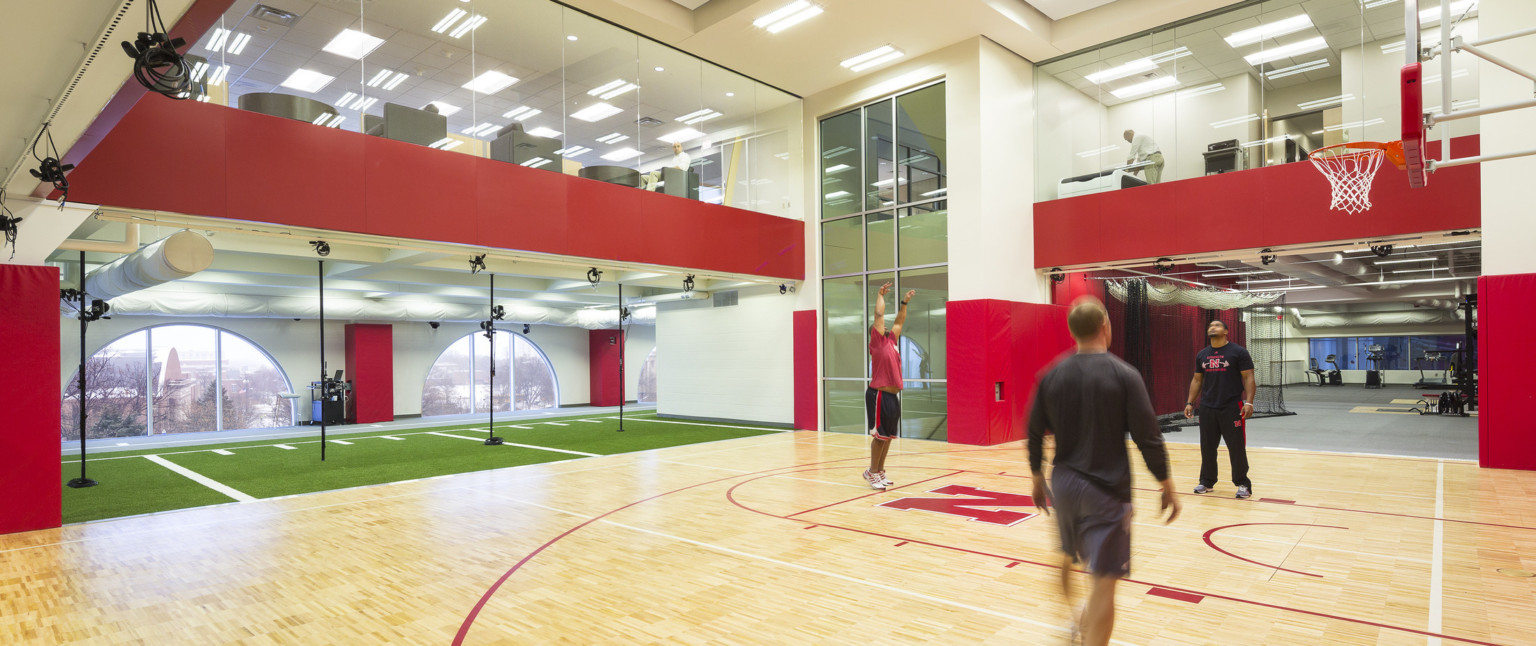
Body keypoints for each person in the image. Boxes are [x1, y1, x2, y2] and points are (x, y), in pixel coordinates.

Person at [1028, 296, 1179, 646]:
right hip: (1106, 490)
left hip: (1064, 484)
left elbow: (1034, 431)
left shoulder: (1051, 376)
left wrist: (1037, 477)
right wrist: (1167, 483)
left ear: (1072, 331)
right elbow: (1148, 437)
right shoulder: (1125, 375)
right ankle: (1089, 630)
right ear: (1105, 327)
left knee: (1068, 557)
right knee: (1104, 579)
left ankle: (1074, 620)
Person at [1183, 319, 1257, 499]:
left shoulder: (1238, 352)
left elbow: (1248, 378)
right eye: (1210, 326)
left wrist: (1249, 402)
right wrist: (1190, 402)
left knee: (1236, 447)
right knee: (1207, 447)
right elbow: (1197, 380)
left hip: (1232, 407)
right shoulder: (1202, 355)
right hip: (1208, 408)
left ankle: (1242, 484)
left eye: (1216, 325)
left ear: (1226, 331)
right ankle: (1207, 481)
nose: (1212, 328)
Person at [864, 281, 913, 490]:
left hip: (893, 396)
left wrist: (904, 303)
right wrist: (880, 294)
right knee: (879, 436)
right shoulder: (876, 341)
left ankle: (880, 470)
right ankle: (871, 472)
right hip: (879, 395)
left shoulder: (891, 340)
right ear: (874, 332)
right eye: (880, 326)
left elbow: (900, 321)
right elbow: (878, 315)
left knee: (889, 437)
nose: (884, 326)